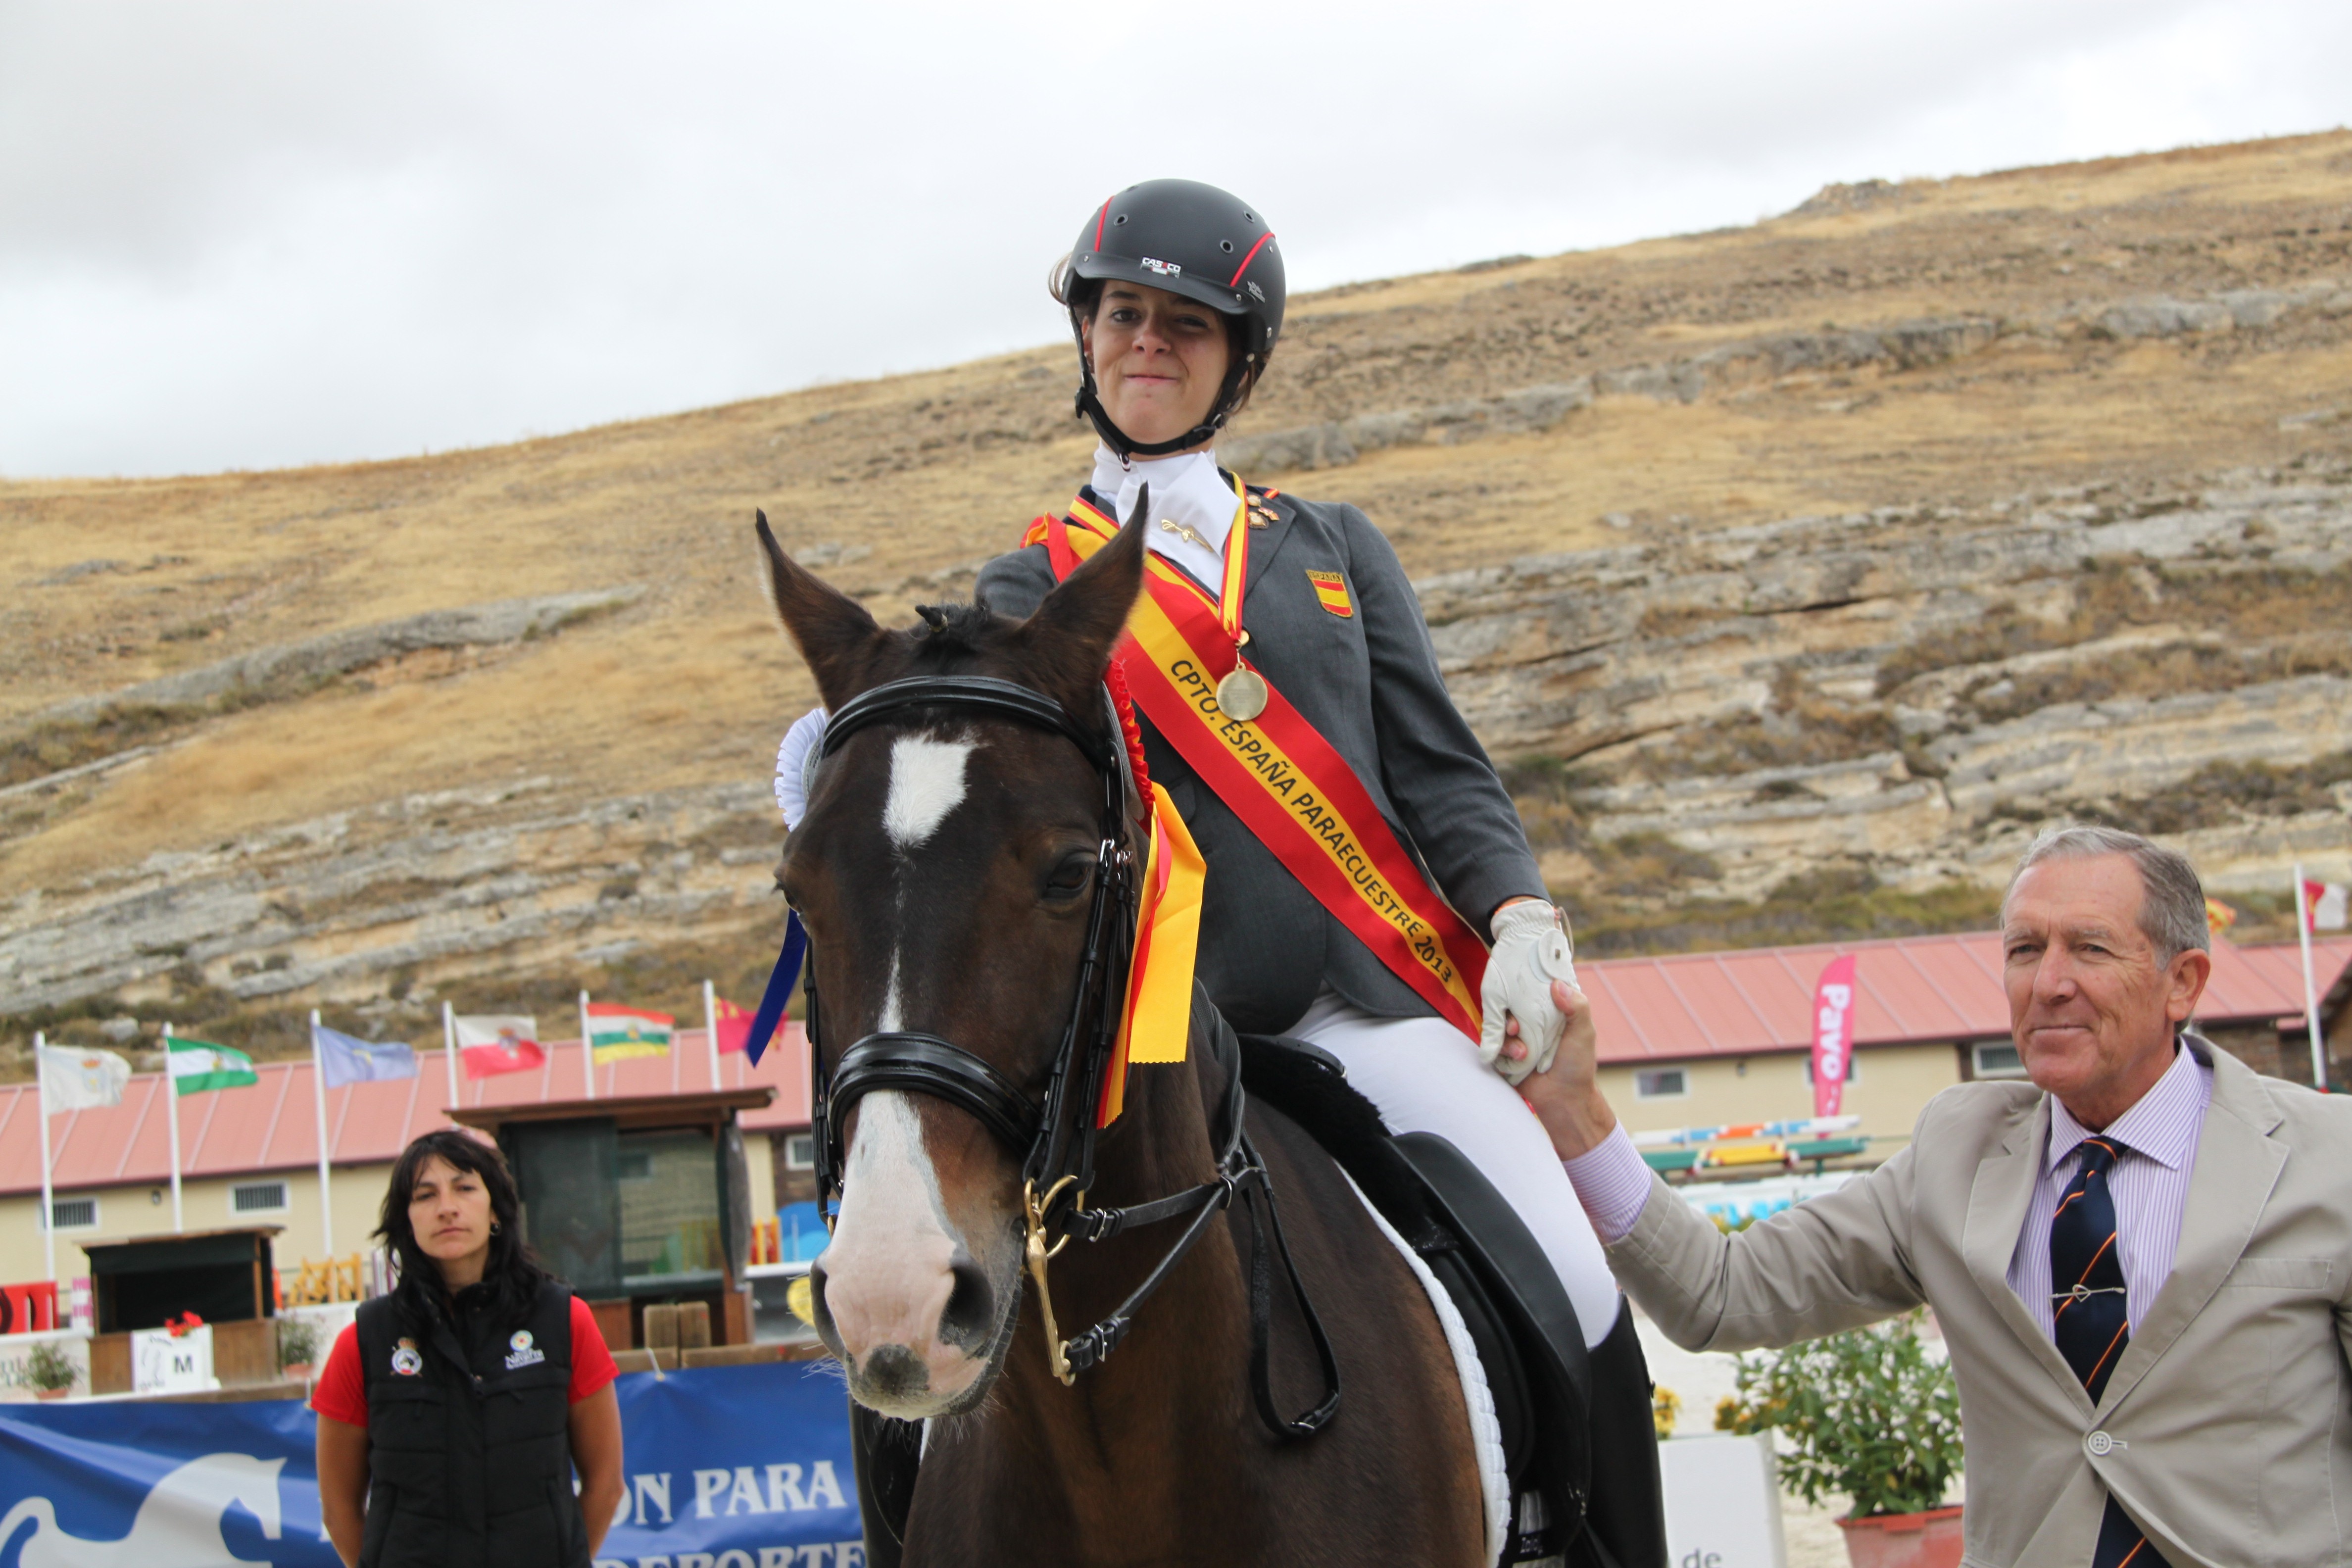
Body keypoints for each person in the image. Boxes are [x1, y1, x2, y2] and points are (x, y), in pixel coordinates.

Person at [775, 178, 1622, 1351]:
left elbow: (1439, 767)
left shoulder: (1332, 545)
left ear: (1238, 363)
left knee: (1573, 1286)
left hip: (1371, 1005)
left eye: (1184, 324)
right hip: (1182, 1029)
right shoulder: (1027, 591)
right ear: (1085, 334)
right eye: (1122, 314)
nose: (1145, 343)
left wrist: (1520, 914)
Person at [1518, 824, 2352, 1567]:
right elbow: (1722, 1292)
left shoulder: (2330, 1156)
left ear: (2184, 982)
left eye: (2089, 949)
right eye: (2024, 950)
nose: (2048, 982)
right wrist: (1577, 1113)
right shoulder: (1955, 1152)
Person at [312, 1129, 624, 1568]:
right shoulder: (364, 1341)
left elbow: (606, 1484)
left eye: (464, 1188)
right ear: (407, 1219)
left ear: (495, 1209)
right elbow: (339, 1508)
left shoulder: (566, 1322)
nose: (447, 1207)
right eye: (425, 1195)